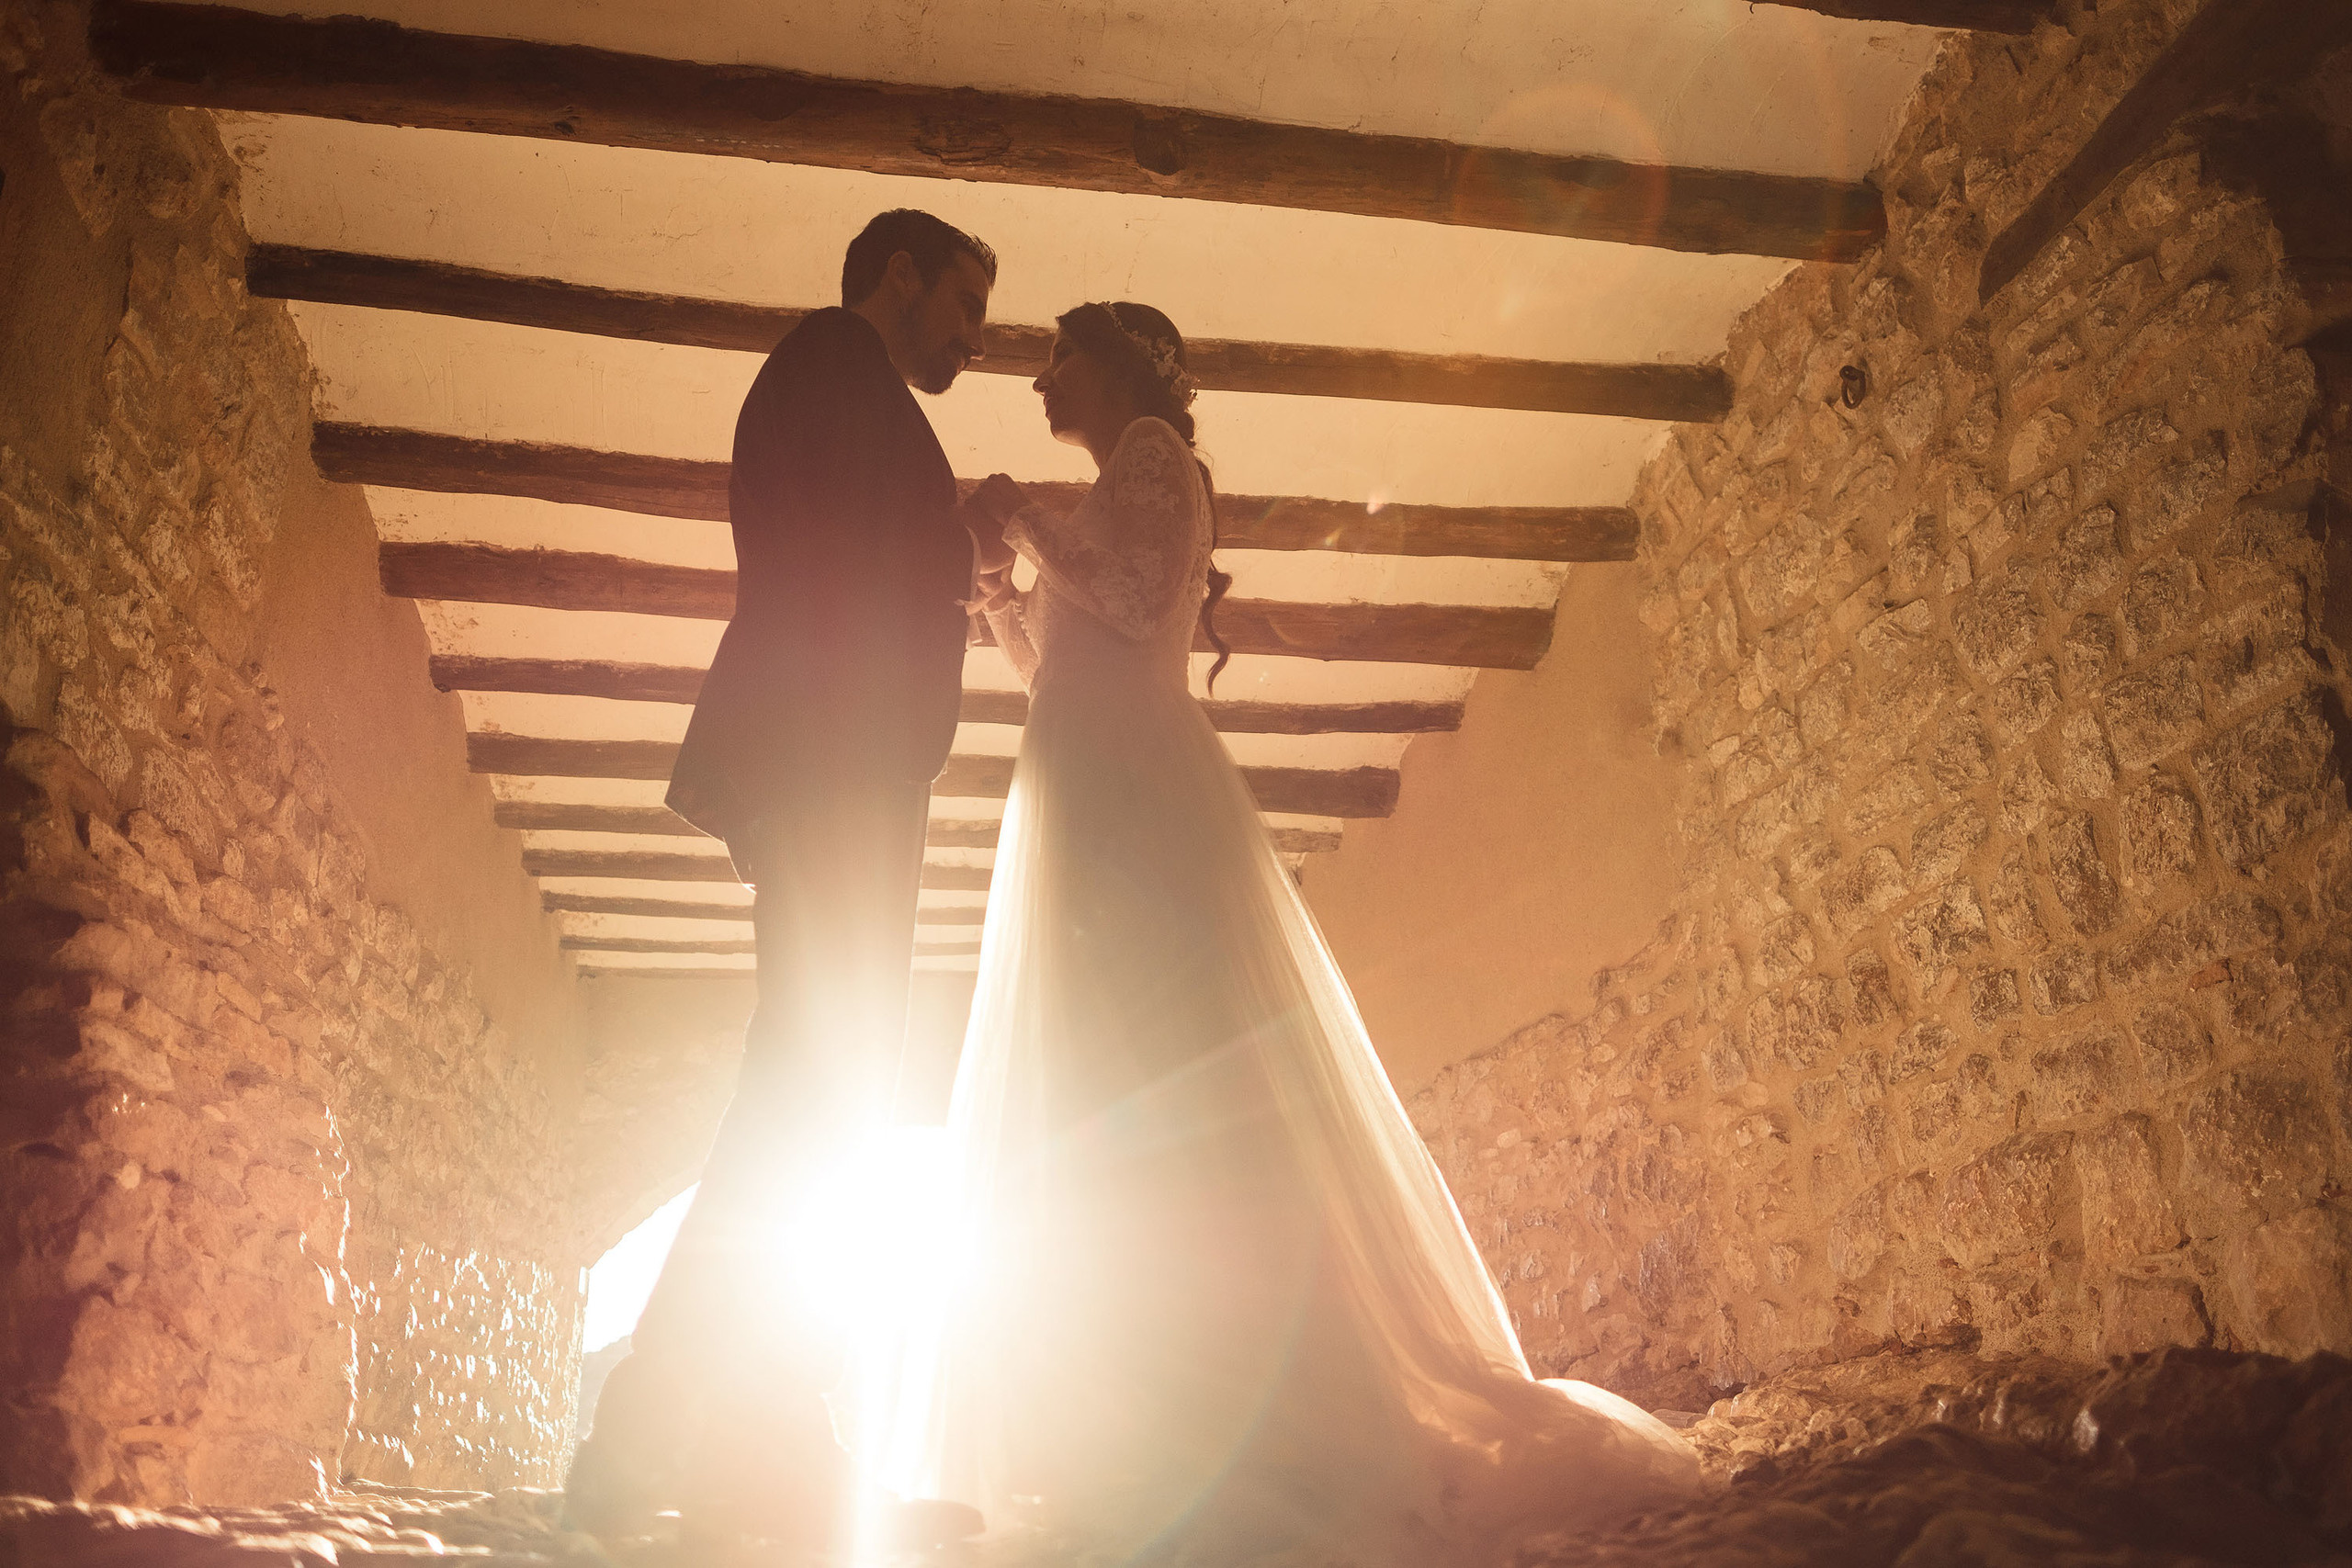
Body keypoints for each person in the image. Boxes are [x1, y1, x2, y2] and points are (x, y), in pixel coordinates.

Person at [868, 302, 1703, 1562]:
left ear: (1127, 369)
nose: (1043, 380)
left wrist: (1016, 513)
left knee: (1172, 1067)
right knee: (1100, 1077)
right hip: (1081, 789)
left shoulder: (1153, 457)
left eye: (1062, 358)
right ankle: (1138, 1403)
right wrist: (998, 588)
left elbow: (1144, 600)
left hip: (1136, 799)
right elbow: (1057, 669)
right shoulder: (1111, 481)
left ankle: (1257, 1406)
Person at [564, 209, 994, 1551]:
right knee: (817, 1091)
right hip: (835, 770)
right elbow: (840, 575)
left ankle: (739, 1444)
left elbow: (865, 555)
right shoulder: (827, 369)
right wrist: (954, 552)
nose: (976, 340)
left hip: (844, 771)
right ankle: (672, 1444)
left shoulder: (837, 388)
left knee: (814, 1095)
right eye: (965, 306)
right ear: (901, 276)